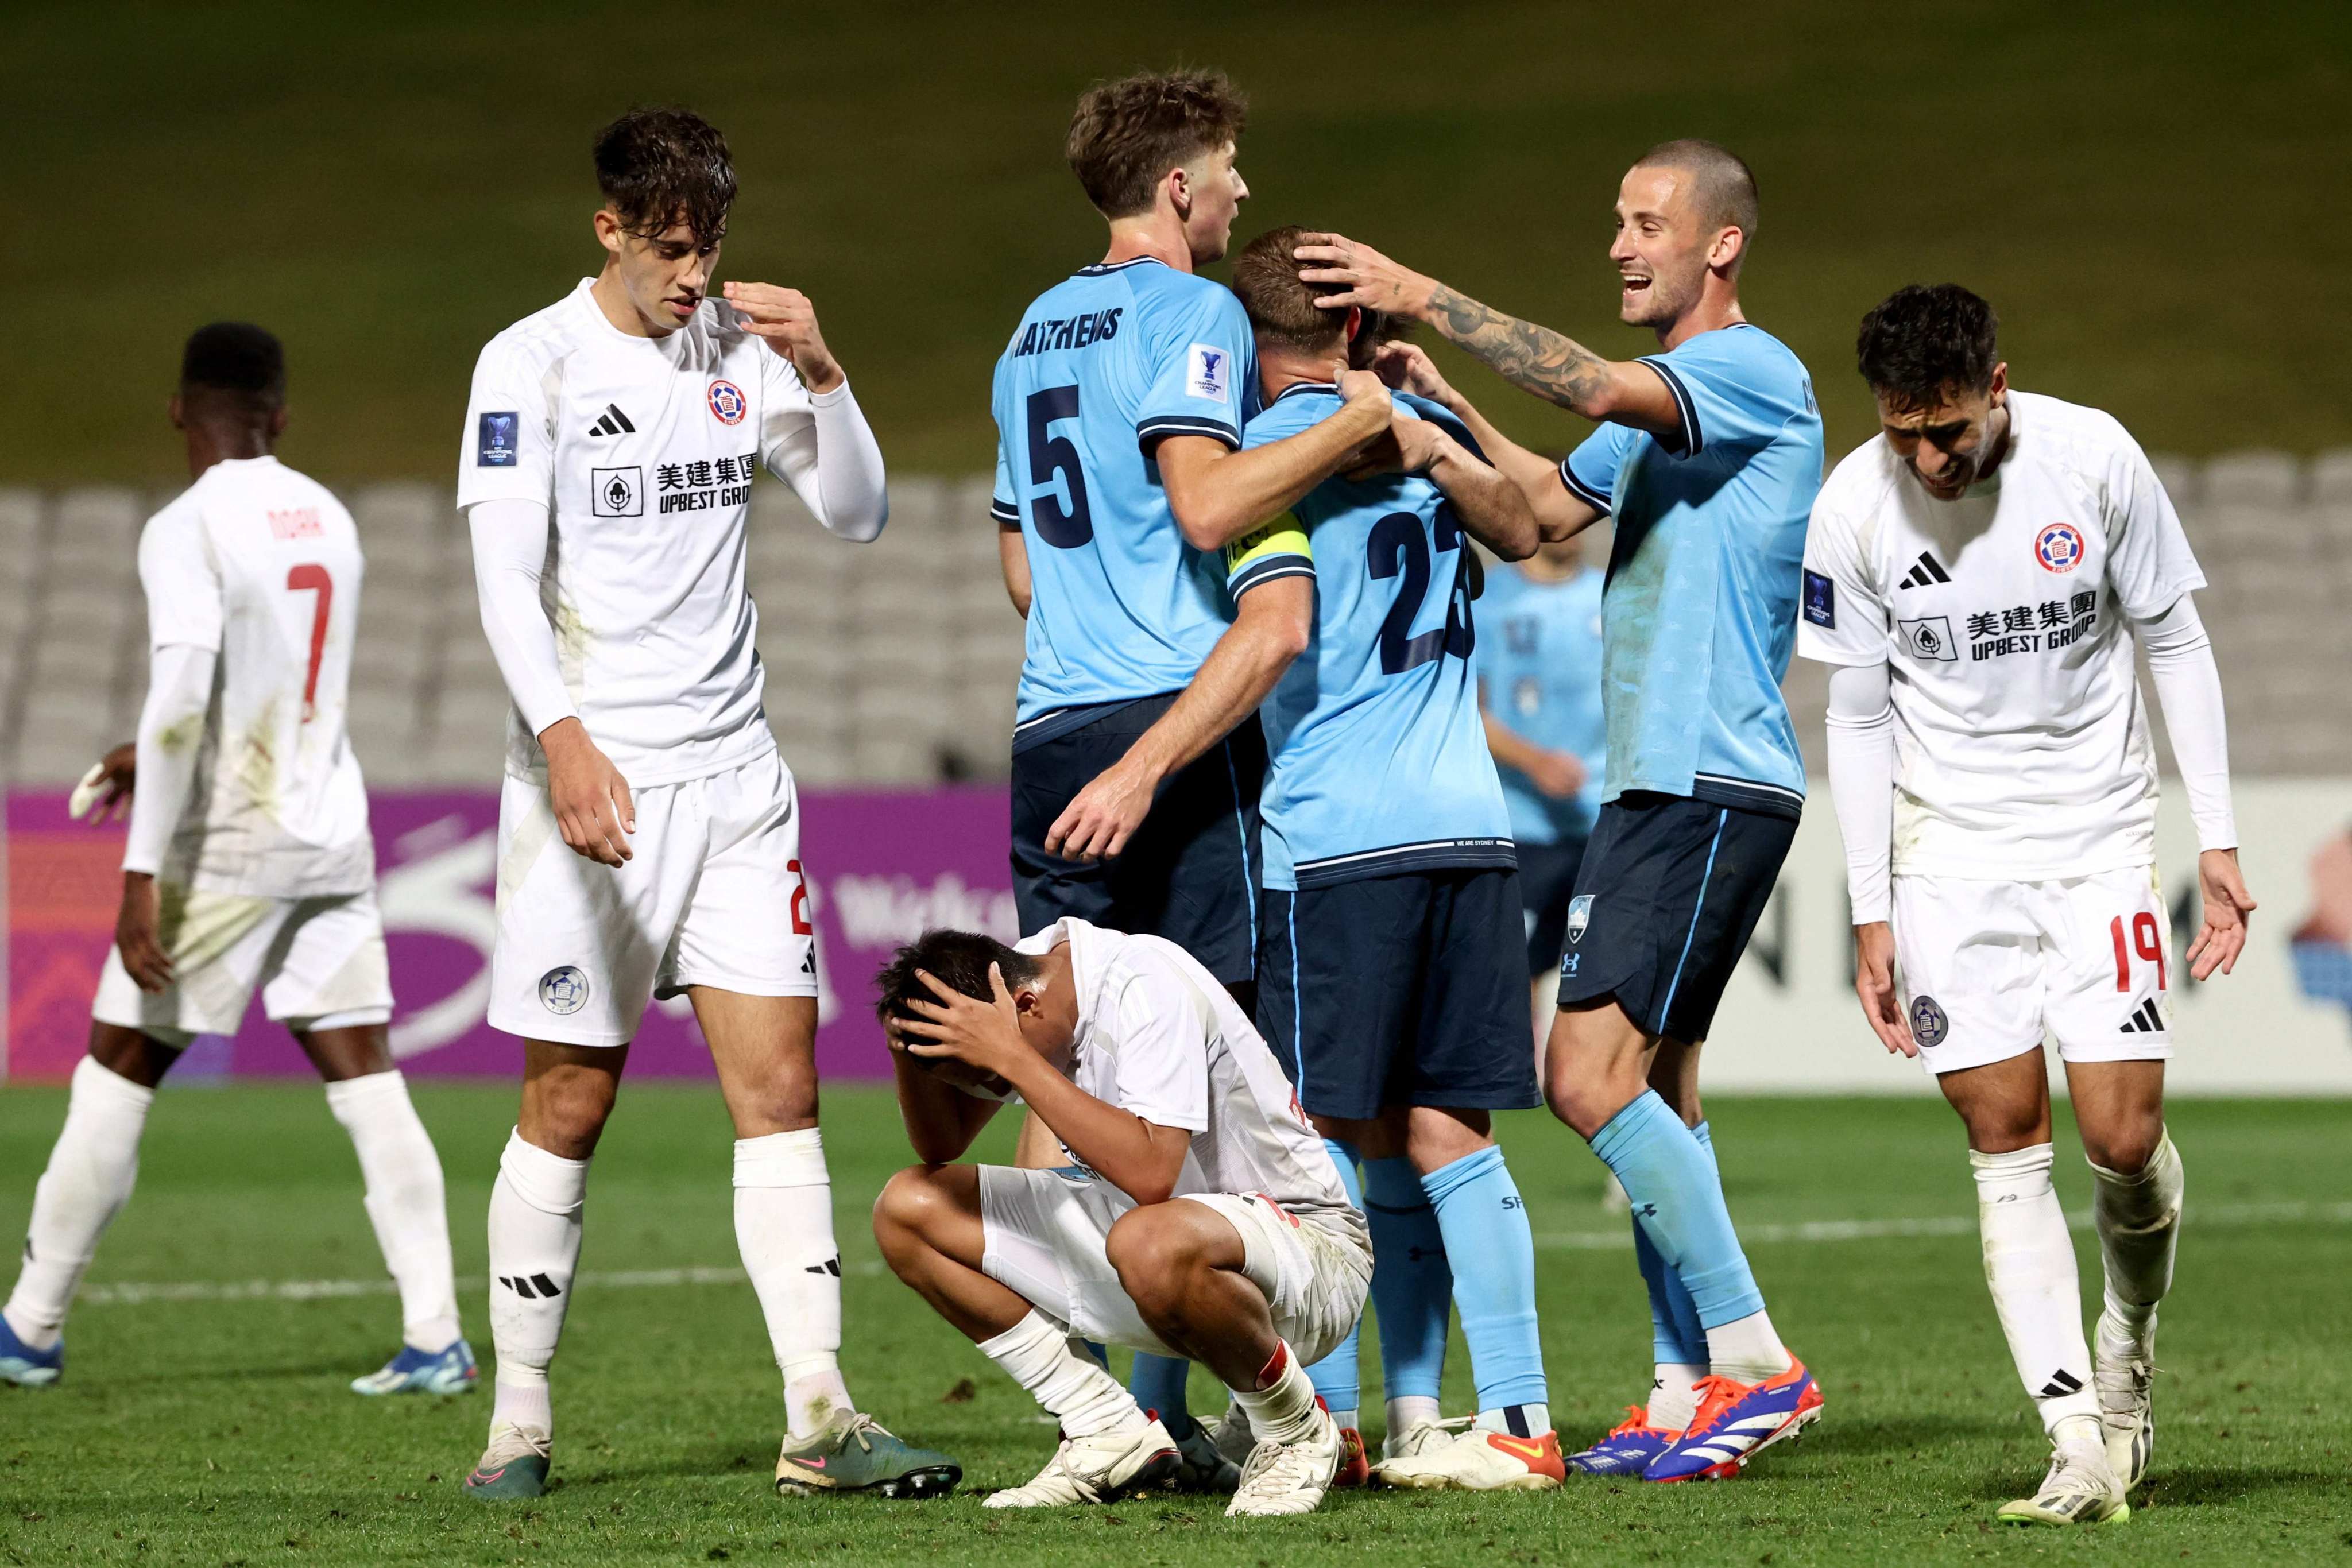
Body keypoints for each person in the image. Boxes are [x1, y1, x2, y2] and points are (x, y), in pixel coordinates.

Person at [1295, 137, 1827, 1481]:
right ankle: (1681, 1382)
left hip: (1706, 776)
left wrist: (1421, 297)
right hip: (1660, 779)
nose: (1618, 245)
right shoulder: (1661, 412)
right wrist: (1441, 413)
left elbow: (1589, 381)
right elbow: (1533, 516)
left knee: (1581, 1080)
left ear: (1721, 245)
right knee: (1659, 1094)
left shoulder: (1748, 373)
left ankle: (1759, 1363)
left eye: (1644, 222)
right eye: (1616, 220)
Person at [452, 107, 954, 1501]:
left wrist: (827, 372)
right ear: (606, 230)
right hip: (596, 783)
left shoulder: (740, 348)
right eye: (668, 247)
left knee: (782, 1089)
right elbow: (503, 579)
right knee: (570, 1097)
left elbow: (858, 516)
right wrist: (560, 739)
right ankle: (521, 1423)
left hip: (738, 782)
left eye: (710, 243)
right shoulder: (531, 363)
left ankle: (821, 1418)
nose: (694, 272)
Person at [1802, 284, 2254, 1526]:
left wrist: (2211, 837)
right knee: (2002, 1138)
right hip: (1949, 857)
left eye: (1944, 432)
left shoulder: (2091, 456)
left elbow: (2172, 640)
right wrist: (1871, 906)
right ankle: (2071, 1438)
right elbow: (1852, 712)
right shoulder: (1850, 507)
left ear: (1996, 388)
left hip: (2098, 841)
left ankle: (2127, 1353)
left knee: (2119, 1141)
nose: (1924, 460)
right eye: (1901, 435)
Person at [989, 69, 1391, 1466]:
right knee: (1215, 1068)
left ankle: (1099, 1421)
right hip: (1161, 722)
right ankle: (1263, 1399)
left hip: (1047, 731)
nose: (1239, 194)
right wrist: (1354, 422)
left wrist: (1101, 610)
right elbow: (1208, 501)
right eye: (1228, 169)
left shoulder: (1030, 332)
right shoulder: (1195, 311)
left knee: (1063, 1067)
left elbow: (1021, 564)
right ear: (1176, 188)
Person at [0, 324, 470, 1398]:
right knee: (368, 1077)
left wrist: (138, 872)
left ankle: (28, 1326)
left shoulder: (185, 526)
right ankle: (436, 1334)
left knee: (118, 1068)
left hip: (231, 841)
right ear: (281, 417)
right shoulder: (330, 517)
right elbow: (273, 684)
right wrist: (141, 753)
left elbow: (181, 700)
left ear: (179, 411)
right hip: (331, 834)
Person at [1220, 227, 1560, 1490]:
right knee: (1447, 1130)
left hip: (1337, 836)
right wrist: (1431, 423)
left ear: (1241, 349)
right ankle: (1492, 1415)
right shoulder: (1418, 436)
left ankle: (1346, 1417)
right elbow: (1527, 526)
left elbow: (1203, 531)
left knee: (1328, 1142)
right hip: (1468, 825)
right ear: (1354, 331)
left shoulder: (1265, 449)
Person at [870, 922, 1372, 1518]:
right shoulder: (1016, 984)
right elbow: (941, 1142)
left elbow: (1150, 1171)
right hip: (1155, 1253)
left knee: (1147, 1237)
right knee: (909, 1207)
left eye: (993, 1078)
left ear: (1026, 1006)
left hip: (1308, 1259)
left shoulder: (1141, 981)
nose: (994, 1091)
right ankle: (1104, 1427)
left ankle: (1295, 1430)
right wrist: (907, 1046)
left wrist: (1011, 1058)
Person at [1476, 534, 1607, 1017]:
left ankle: (1590, 1087)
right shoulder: (1489, 598)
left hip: (1602, 821)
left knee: (1601, 969)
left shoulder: (1611, 593)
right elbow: (1469, 709)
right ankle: (1524, 1085)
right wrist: (1535, 762)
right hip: (1521, 823)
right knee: (1518, 971)